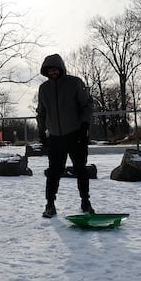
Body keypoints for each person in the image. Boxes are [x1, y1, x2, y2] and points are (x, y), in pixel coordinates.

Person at [36, 53, 94, 218]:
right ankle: (50, 204)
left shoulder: (74, 83)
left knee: (80, 170)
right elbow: (41, 111)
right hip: (55, 137)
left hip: (76, 134)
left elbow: (88, 104)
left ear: (61, 69)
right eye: (49, 71)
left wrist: (85, 125)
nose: (52, 73)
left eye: (55, 70)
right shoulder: (44, 89)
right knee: (54, 172)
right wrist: (41, 131)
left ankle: (85, 202)